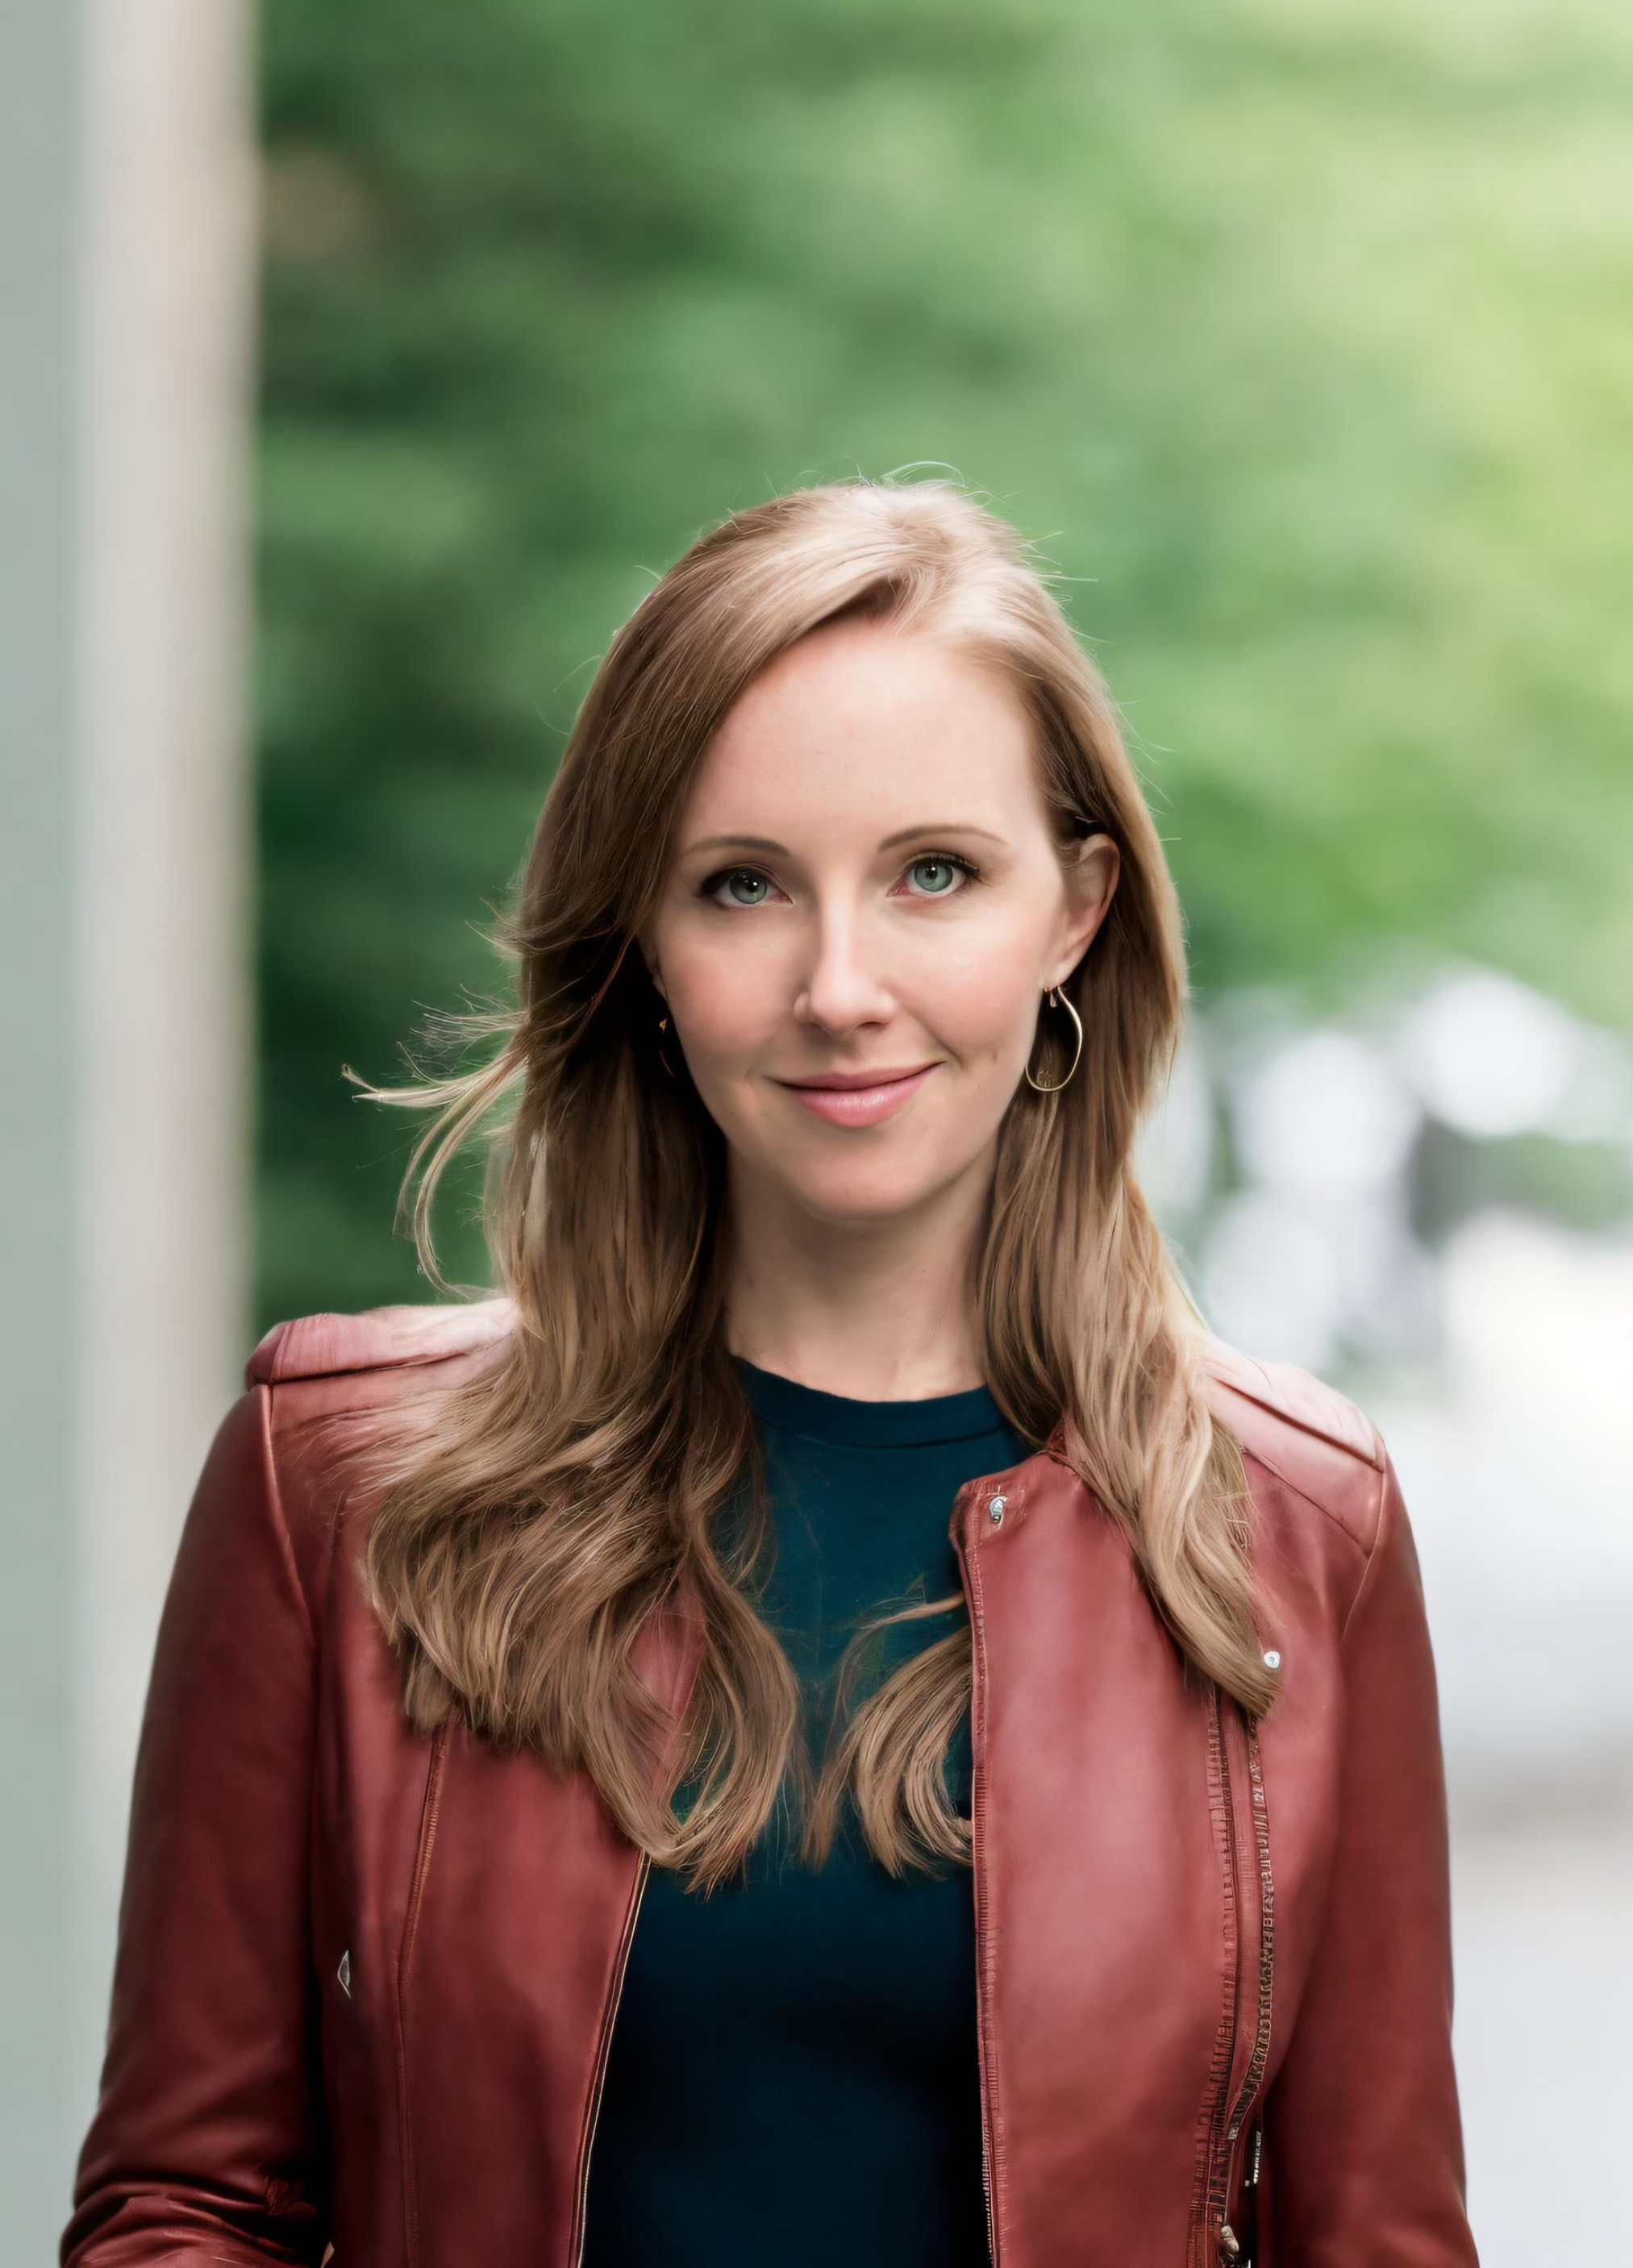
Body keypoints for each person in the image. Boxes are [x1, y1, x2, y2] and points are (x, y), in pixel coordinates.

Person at [61, 478, 1479, 2268]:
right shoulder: (332, 1481)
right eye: (741, 885)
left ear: (1075, 912)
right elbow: (186, 2206)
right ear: (644, 943)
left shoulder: (1300, 1528)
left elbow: (1375, 2236)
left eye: (934, 874)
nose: (840, 983)